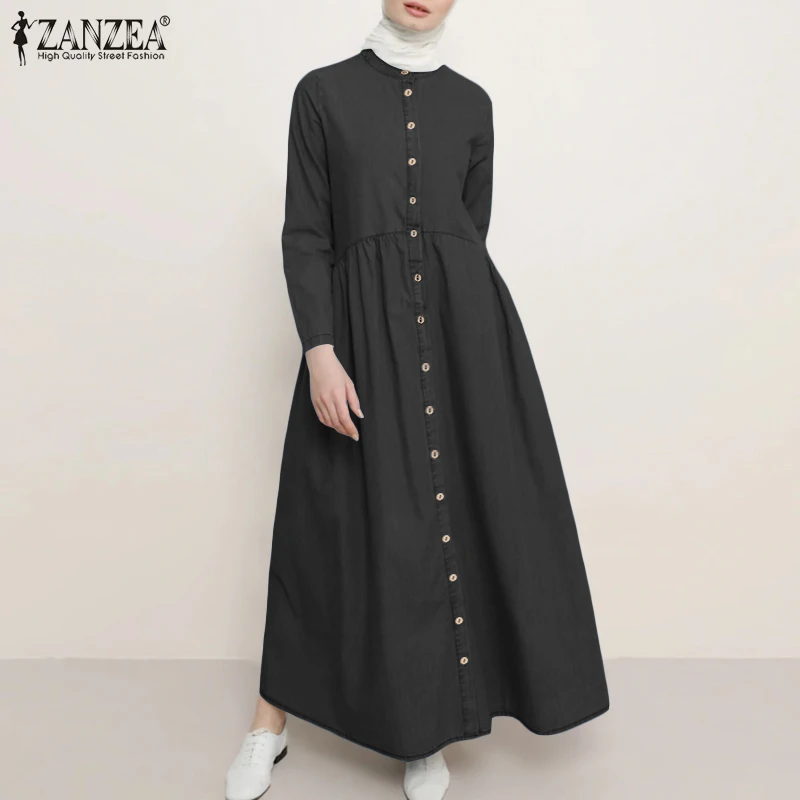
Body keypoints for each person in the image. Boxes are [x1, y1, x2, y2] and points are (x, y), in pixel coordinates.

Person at [226, 2, 610, 798]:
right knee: (327, 525)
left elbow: (468, 232)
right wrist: (321, 348)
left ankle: (425, 729)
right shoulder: (323, 93)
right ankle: (269, 724)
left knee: (445, 525)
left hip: (464, 341)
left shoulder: (472, 104)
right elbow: (307, 233)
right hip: (359, 339)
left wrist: (445, 317)